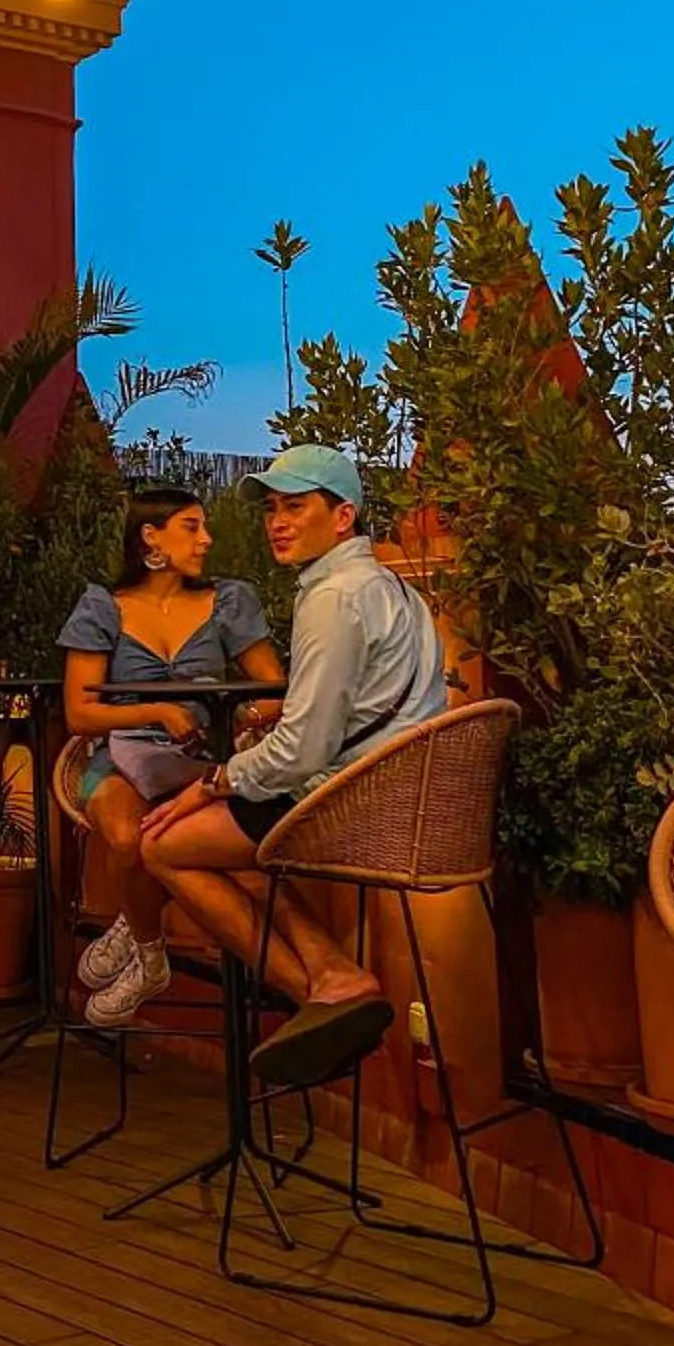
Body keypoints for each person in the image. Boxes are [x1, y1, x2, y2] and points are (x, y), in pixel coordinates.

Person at [138, 444, 447, 1090]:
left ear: (343, 518)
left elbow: (303, 754)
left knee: (164, 845)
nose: (277, 521)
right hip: (400, 797)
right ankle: (331, 973)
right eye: (272, 509)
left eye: (295, 507)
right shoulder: (391, 584)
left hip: (349, 807)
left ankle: (320, 997)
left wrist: (211, 784)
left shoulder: (333, 598)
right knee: (229, 843)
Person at [59, 491, 285, 1028]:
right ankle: (150, 953)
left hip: (201, 759)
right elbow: (78, 712)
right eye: (191, 527)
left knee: (165, 841)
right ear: (150, 537)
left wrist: (237, 716)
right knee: (125, 836)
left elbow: (275, 690)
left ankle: (132, 923)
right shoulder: (103, 606)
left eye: (205, 527)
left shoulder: (229, 601)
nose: (206, 539)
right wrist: (158, 710)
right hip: (118, 753)